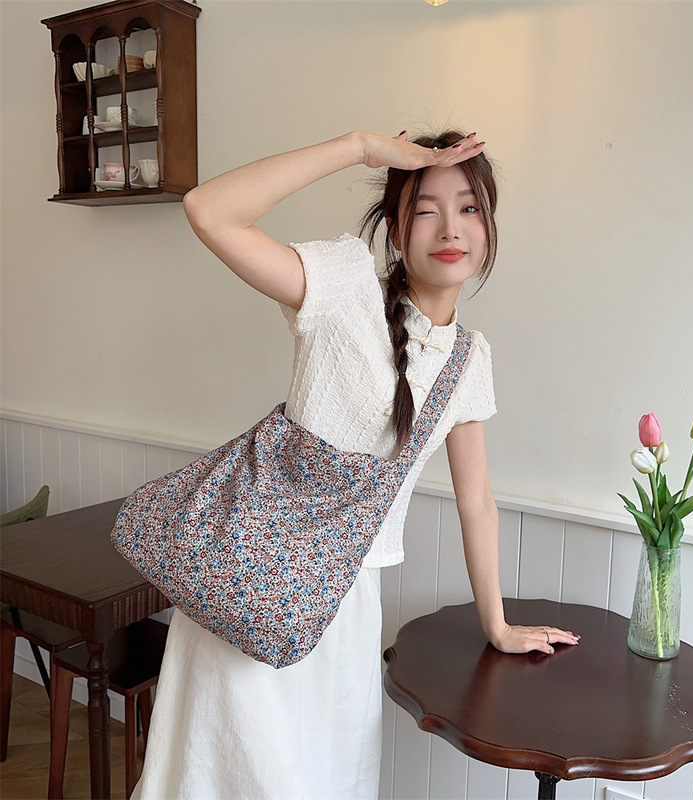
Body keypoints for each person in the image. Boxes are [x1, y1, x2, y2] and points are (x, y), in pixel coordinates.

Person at [130, 129, 580, 799]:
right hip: (249, 584)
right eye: (426, 209)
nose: (450, 228)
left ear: (488, 229)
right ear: (396, 231)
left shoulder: (469, 359)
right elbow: (208, 210)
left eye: (469, 208)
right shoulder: (343, 286)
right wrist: (361, 147)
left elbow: (477, 502)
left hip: (343, 611)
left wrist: (498, 624)